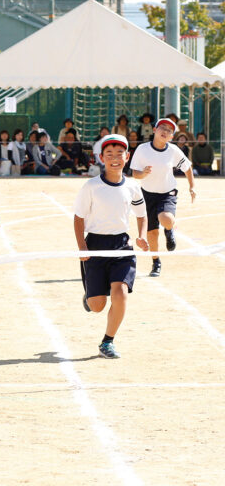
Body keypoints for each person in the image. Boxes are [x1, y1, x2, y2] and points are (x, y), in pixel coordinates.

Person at [74, 134, 149, 359]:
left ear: (127, 157)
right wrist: (82, 247)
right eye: (109, 154)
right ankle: (89, 295)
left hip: (122, 246)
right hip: (95, 245)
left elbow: (142, 214)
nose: (115, 158)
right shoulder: (91, 186)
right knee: (97, 306)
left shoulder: (133, 187)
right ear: (101, 157)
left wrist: (142, 236)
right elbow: (78, 218)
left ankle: (107, 341)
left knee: (120, 293)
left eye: (119, 154)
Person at [129, 118, 195, 277]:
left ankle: (169, 229)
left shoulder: (173, 150)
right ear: (154, 130)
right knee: (152, 234)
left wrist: (192, 186)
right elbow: (134, 173)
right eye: (162, 128)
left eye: (169, 130)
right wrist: (143, 173)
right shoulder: (142, 149)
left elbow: (187, 168)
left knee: (166, 218)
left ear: (172, 136)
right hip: (147, 194)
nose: (165, 131)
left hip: (167, 192)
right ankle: (156, 261)